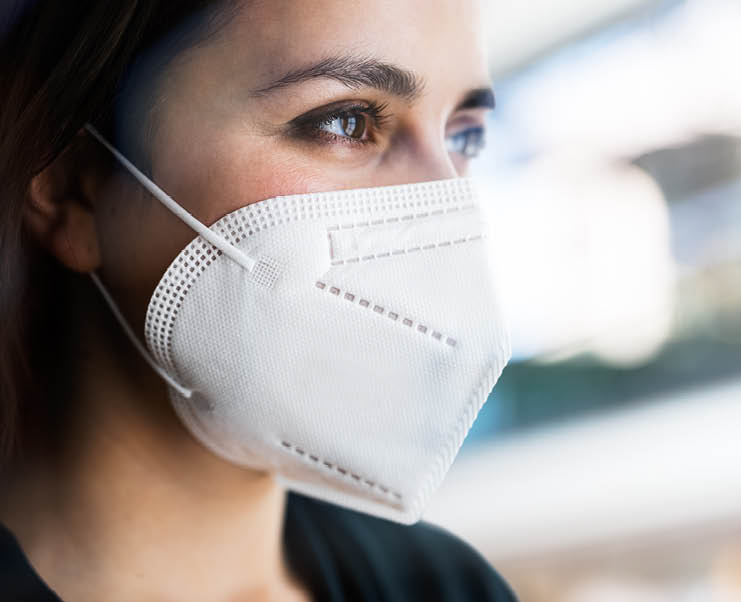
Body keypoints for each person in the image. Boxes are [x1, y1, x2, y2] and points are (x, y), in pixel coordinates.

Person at [0, 1, 517, 600]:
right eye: (346, 122)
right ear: (74, 186)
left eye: (464, 135)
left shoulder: (449, 586)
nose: (442, 208)